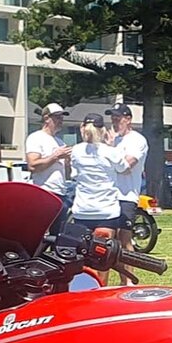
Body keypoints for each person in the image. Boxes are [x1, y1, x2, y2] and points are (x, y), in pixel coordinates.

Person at [67, 114, 130, 282]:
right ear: (103, 130)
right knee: (103, 257)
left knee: (83, 257)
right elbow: (124, 168)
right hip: (106, 212)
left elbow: (74, 174)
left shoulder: (76, 151)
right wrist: (111, 145)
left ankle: (85, 289)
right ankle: (101, 289)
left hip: (82, 211)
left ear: (82, 129)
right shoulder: (111, 152)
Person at [104, 103, 149, 250]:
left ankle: (129, 266)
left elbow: (126, 166)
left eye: (118, 118)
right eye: (112, 118)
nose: (114, 122)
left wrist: (110, 151)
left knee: (124, 239)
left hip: (126, 196)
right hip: (109, 195)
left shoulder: (137, 140)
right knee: (107, 240)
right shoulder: (112, 140)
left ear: (128, 119)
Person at [24, 102, 72, 208]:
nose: (61, 120)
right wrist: (55, 156)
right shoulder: (36, 137)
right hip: (44, 192)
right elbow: (32, 166)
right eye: (57, 117)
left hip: (61, 193)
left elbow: (67, 174)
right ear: (46, 118)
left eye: (62, 117)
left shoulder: (60, 142)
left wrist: (68, 161)